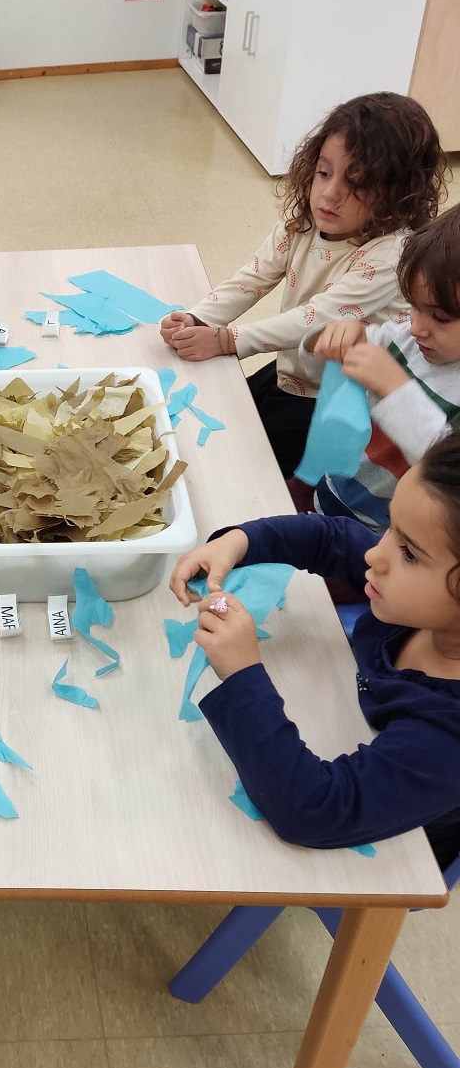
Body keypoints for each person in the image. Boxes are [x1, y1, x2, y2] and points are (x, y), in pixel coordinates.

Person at [169, 430, 460, 870]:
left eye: (410, 554)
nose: (376, 555)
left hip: (391, 862)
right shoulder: (426, 605)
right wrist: (239, 542)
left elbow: (312, 810)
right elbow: (330, 537)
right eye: (389, 527)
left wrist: (242, 674)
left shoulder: (449, 736)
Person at [160, 93, 447, 477]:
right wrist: (198, 317)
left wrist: (227, 340)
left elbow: (315, 317)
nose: (330, 193)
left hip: (334, 396)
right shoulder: (305, 223)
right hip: (293, 366)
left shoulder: (389, 254)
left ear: (399, 194)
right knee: (223, 420)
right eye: (324, 173)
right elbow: (253, 278)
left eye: (357, 184)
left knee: (247, 467)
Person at [299, 201, 460, 529]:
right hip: (327, 492)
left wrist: (397, 391)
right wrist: (326, 341)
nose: (416, 327)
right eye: (414, 307)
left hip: (384, 537)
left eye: (440, 317)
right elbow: (315, 375)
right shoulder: (402, 339)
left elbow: (447, 479)